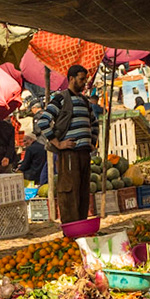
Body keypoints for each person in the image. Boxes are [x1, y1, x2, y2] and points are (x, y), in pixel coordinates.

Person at [34, 64, 103, 223]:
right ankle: (71, 226)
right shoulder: (60, 99)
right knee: (70, 191)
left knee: (83, 191)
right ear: (71, 79)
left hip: (84, 153)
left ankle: (82, 224)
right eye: (81, 79)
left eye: (85, 79)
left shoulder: (85, 101)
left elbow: (94, 123)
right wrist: (58, 143)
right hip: (70, 153)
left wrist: (92, 142)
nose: (84, 83)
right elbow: (44, 121)